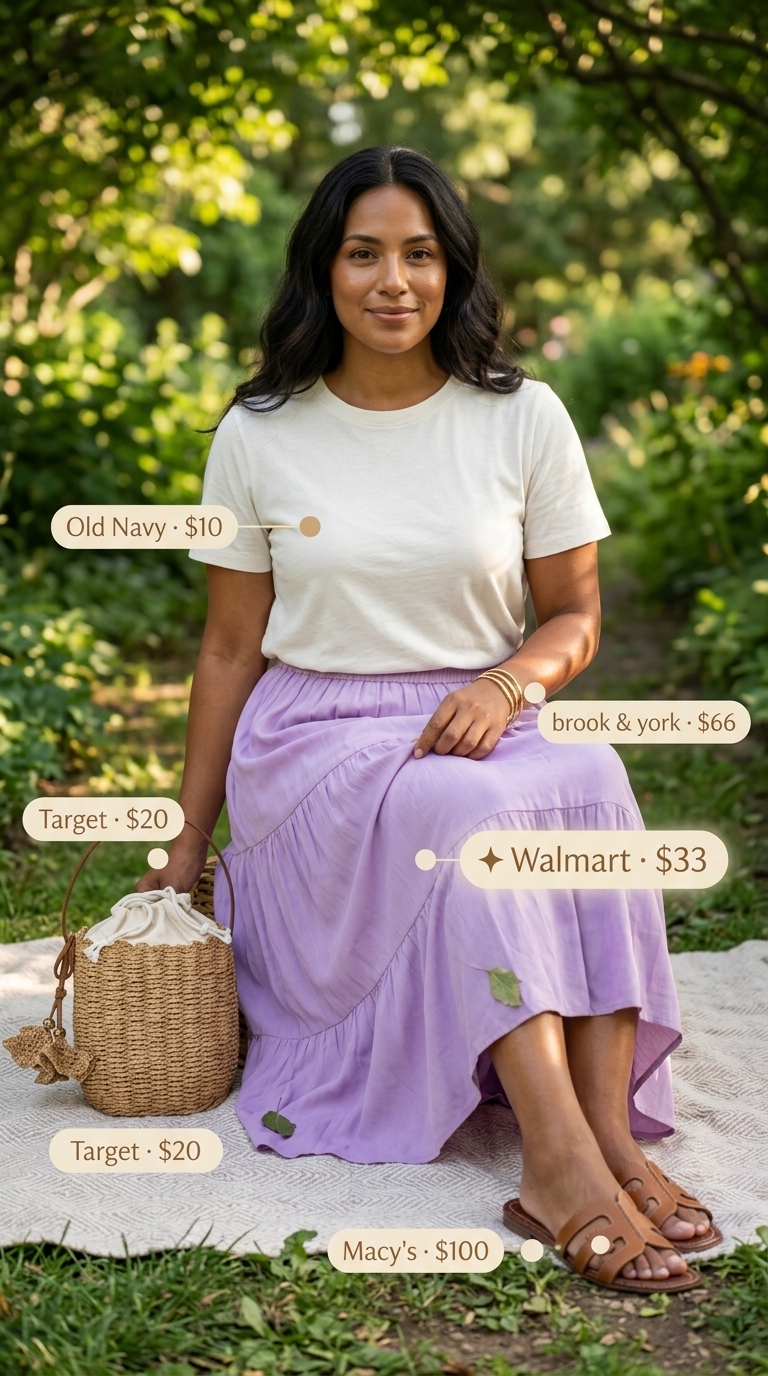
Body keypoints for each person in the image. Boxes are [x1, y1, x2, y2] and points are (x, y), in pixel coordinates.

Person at [138, 146, 720, 1292]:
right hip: (316, 734)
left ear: (453, 269)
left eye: (419, 254)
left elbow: (574, 617)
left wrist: (507, 685)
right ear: (324, 268)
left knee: (595, 777)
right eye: (364, 253)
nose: (393, 281)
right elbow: (229, 648)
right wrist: (187, 837)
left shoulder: (523, 416)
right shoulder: (259, 431)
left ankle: (608, 1134)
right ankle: (556, 1164)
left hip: (485, 705)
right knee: (463, 813)